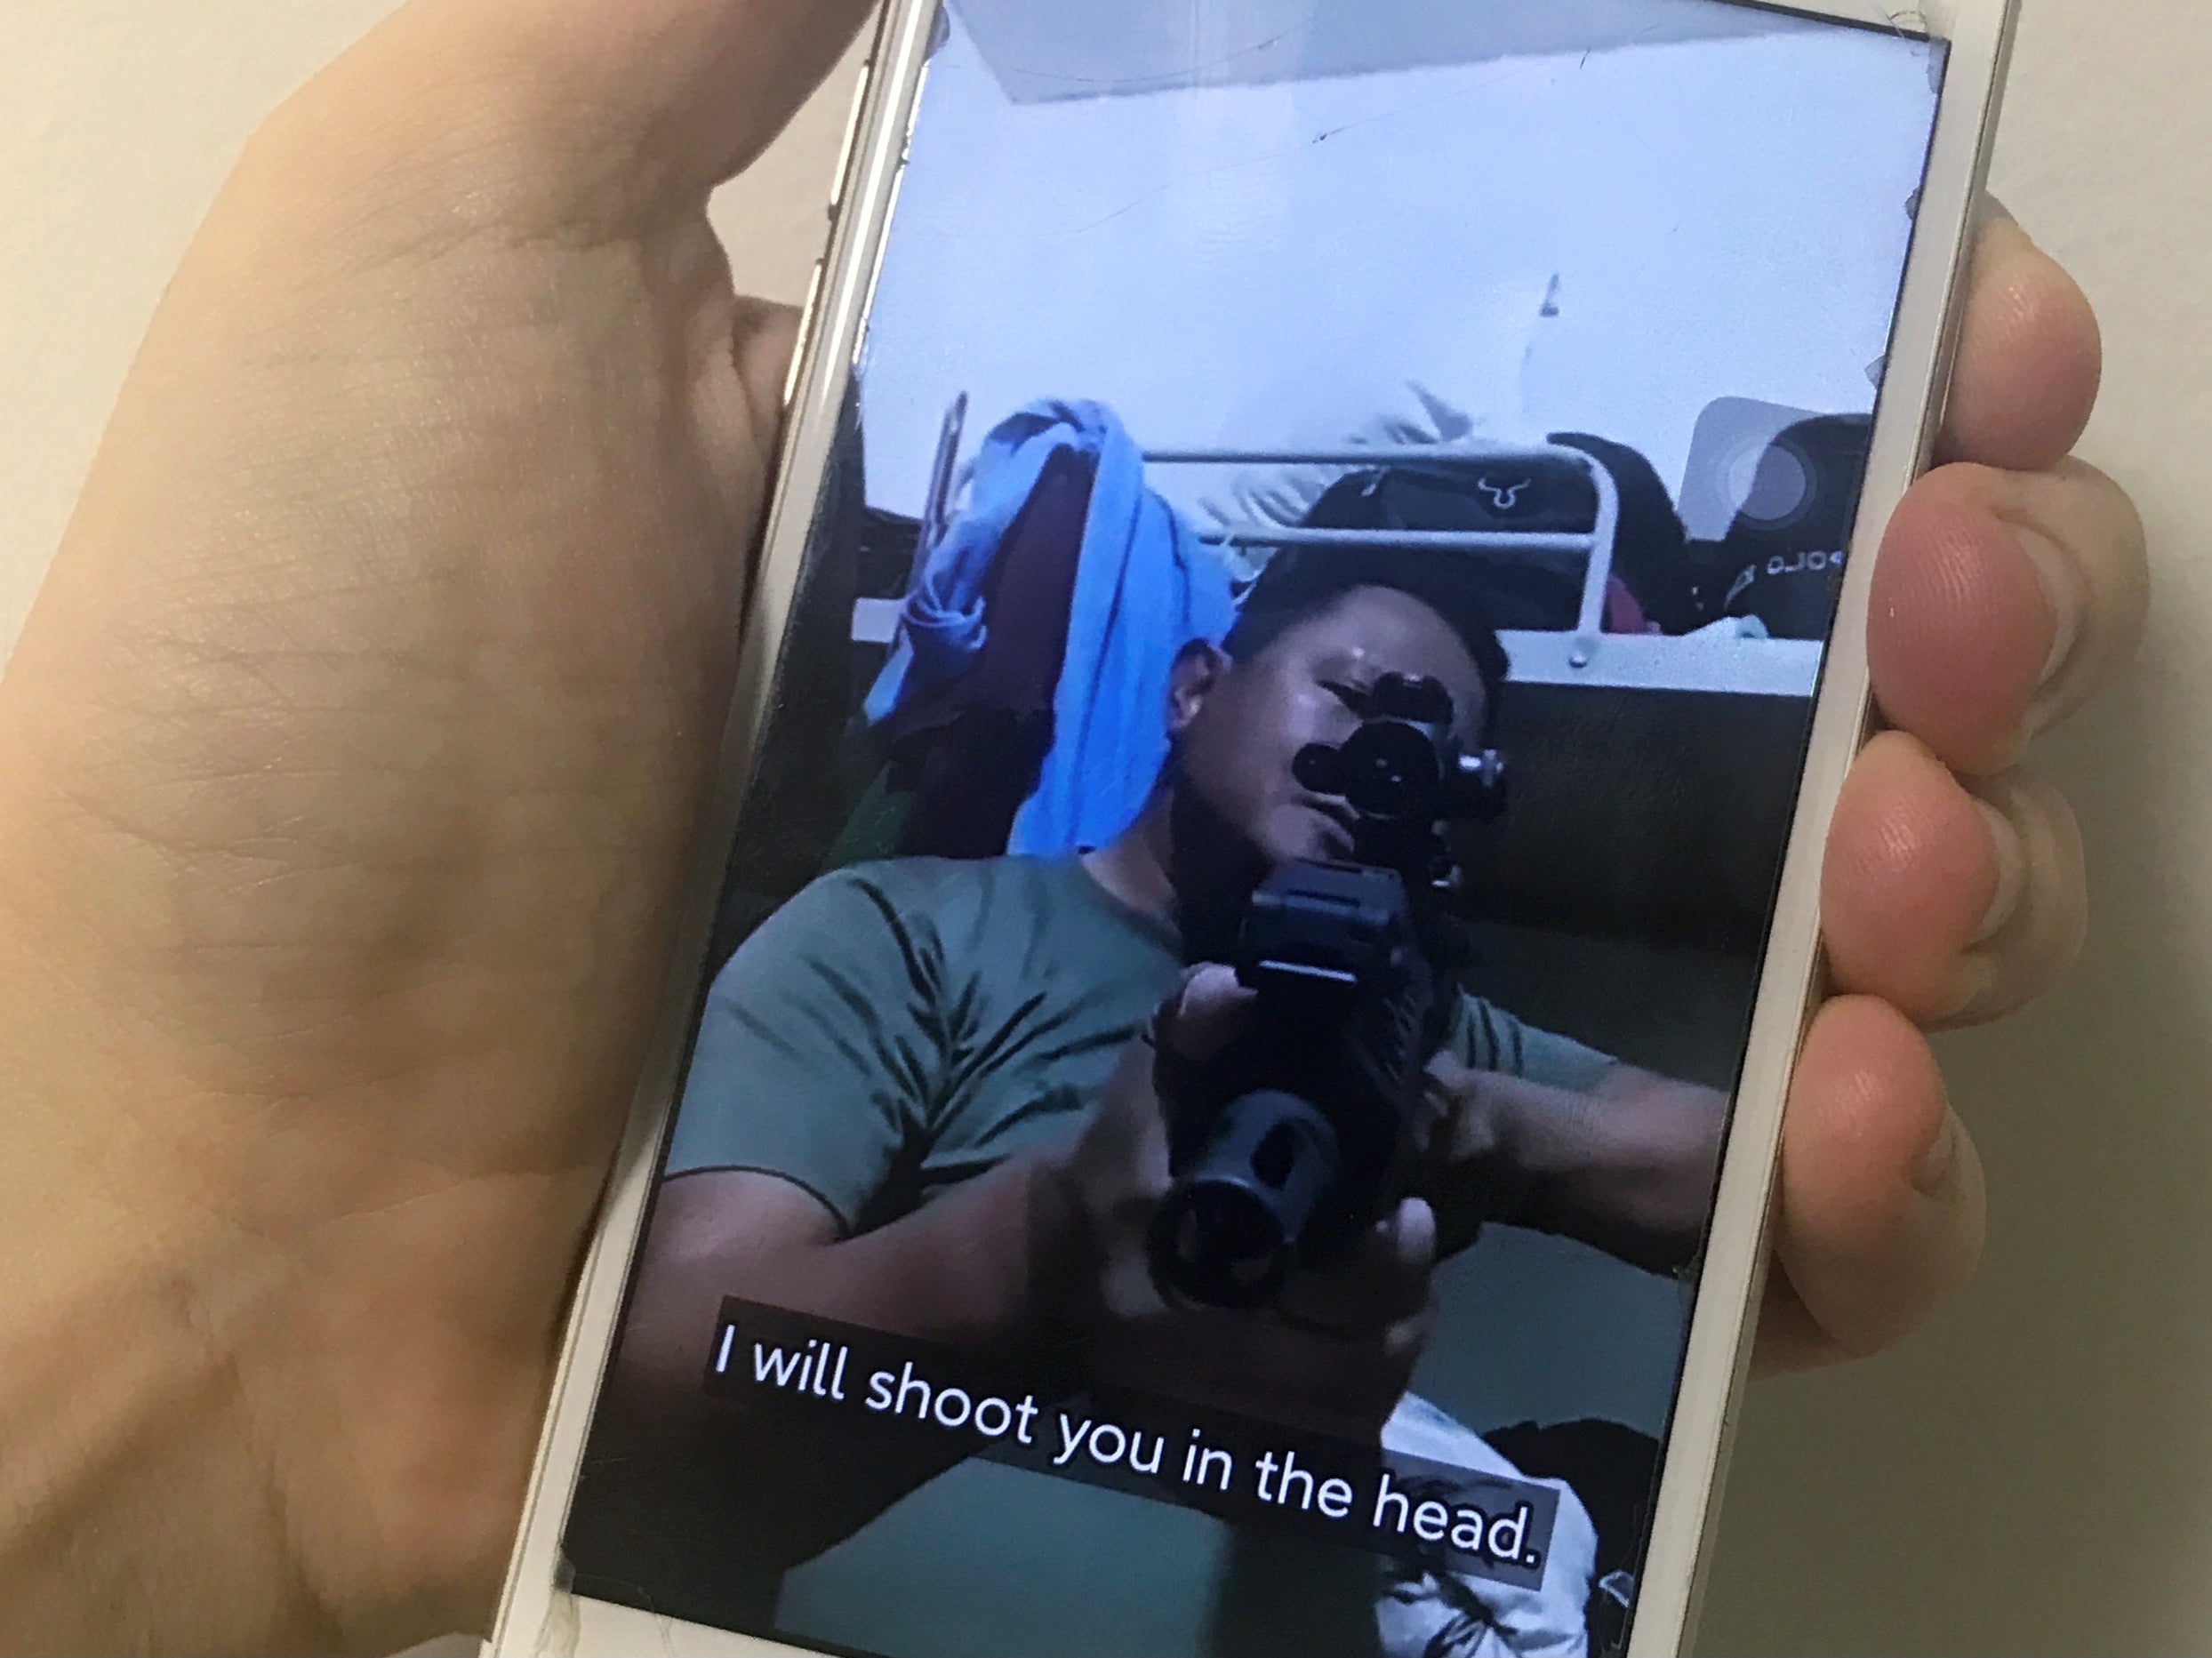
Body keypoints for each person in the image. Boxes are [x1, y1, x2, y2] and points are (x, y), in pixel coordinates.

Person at [0, 0, 2148, 1654]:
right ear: (1197, 685)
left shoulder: (1437, 1023)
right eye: (1355, 698)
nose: (1387, 757)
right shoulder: (909, 931)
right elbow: (663, 1350)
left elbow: (1750, 1161)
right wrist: (1032, 1268)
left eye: (1439, 746)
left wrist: (1463, 1127)